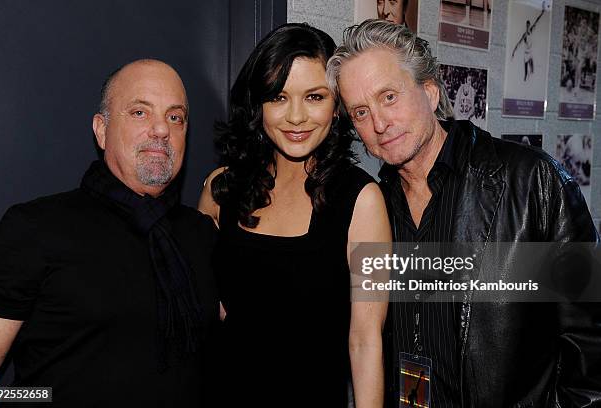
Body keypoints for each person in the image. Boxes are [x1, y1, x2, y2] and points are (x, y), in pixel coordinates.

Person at [327, 19, 600, 407]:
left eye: (389, 97)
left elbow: (589, 342)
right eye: (360, 112)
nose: (379, 123)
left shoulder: (531, 181)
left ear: (430, 91)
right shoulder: (371, 205)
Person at [0, 59, 219, 408]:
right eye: (140, 112)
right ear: (101, 129)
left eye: (175, 117)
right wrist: (38, 397)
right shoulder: (34, 229)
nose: (161, 129)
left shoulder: (201, 235)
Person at [198, 23, 390, 407]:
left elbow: (365, 340)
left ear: (337, 107)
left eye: (315, 96)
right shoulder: (221, 189)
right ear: (258, 105)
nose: (296, 117)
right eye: (279, 97)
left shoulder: (362, 200)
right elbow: (202, 308)